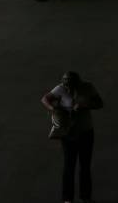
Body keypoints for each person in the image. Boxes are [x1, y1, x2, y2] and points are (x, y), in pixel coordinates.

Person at [41, 71, 104, 203]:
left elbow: (99, 103)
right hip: (68, 133)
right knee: (69, 166)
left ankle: (85, 196)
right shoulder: (60, 88)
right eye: (67, 87)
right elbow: (45, 99)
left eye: (72, 87)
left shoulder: (88, 87)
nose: (69, 89)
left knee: (85, 166)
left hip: (86, 131)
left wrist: (84, 105)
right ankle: (67, 198)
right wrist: (54, 109)